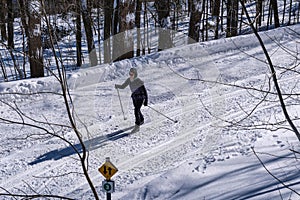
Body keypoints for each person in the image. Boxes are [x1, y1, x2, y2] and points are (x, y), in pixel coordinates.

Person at [115, 68, 148, 133]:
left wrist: (146, 101)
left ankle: (137, 126)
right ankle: (141, 119)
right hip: (134, 98)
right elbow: (123, 86)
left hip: (140, 97)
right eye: (130, 73)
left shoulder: (138, 80)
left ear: (135, 74)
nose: (131, 74)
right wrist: (117, 86)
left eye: (132, 73)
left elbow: (145, 91)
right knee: (137, 109)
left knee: (136, 110)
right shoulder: (129, 80)